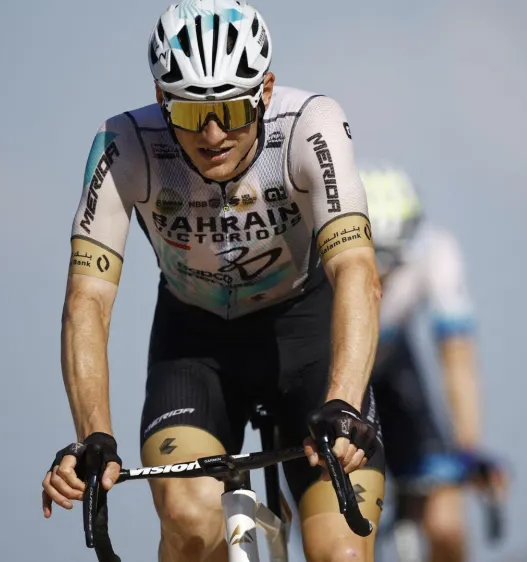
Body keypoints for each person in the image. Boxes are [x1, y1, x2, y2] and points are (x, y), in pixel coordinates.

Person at [40, 1, 387, 560]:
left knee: (341, 552)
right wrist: (94, 435)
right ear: (161, 100)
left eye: (230, 108)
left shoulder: (309, 126)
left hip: (307, 338)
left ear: (266, 92)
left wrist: (344, 402)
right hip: (195, 345)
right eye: (188, 114)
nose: (212, 133)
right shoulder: (123, 146)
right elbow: (87, 301)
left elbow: (358, 272)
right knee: (188, 517)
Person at [359, 166, 505, 562]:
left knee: (446, 526)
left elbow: (457, 358)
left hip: (391, 365)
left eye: (393, 260)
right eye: (374, 258)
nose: (382, 273)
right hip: (336, 369)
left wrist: (468, 451)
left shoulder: (436, 251)